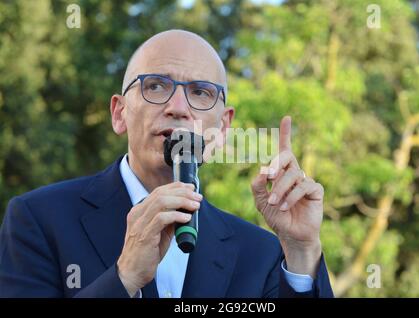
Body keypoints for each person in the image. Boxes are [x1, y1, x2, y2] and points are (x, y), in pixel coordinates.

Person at [0, 30, 333, 298]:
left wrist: (302, 251)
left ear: (223, 128)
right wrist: (124, 277)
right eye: (156, 86)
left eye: (201, 92)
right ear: (119, 114)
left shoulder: (261, 253)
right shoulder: (39, 220)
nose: (178, 107)